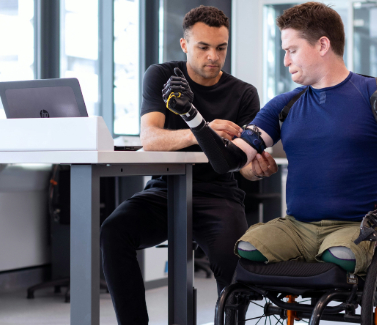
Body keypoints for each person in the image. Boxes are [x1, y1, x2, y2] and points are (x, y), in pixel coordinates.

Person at [162, 1, 377, 276]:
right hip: (297, 227)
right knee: (247, 248)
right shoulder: (283, 106)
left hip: (354, 227)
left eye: (292, 50)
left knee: (339, 256)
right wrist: (191, 115)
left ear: (322, 45)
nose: (286, 60)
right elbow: (228, 160)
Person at [100, 6, 278, 325]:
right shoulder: (163, 77)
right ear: (184, 45)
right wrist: (202, 130)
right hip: (164, 191)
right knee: (114, 231)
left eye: (221, 48)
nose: (213, 55)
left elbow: (246, 167)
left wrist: (258, 167)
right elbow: (150, 138)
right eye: (203, 47)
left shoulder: (244, 93)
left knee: (234, 267)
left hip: (218, 195)